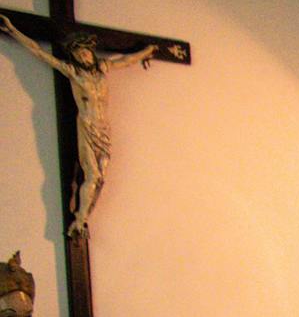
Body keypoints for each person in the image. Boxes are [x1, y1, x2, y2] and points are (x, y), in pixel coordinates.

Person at [0, 15, 179, 236]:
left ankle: (83, 217)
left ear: (91, 53)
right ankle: (80, 219)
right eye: (78, 54)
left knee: (100, 179)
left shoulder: (103, 67)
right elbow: (38, 52)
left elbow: (127, 60)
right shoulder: (73, 72)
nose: (83, 56)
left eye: (85, 52)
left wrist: (147, 51)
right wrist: (13, 30)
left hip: (104, 128)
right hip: (87, 125)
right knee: (92, 176)